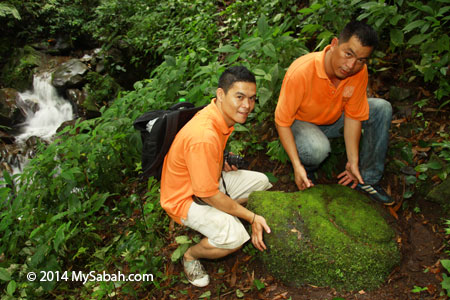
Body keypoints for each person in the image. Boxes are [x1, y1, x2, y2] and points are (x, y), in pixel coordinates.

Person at [160, 66, 273, 287]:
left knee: (261, 182)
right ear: (221, 95)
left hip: (203, 184)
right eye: (239, 97)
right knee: (235, 237)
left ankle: (221, 217)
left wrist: (221, 161)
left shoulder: (218, 115)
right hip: (184, 198)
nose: (247, 106)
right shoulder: (204, 135)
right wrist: (251, 217)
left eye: (251, 99)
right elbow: (209, 194)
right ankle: (191, 256)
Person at [275, 21, 394, 205]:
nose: (351, 65)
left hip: (335, 119)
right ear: (334, 43)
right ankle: (308, 167)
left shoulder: (359, 72)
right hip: (301, 124)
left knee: (381, 109)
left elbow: (354, 116)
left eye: (361, 60)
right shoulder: (301, 71)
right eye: (348, 54)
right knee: (317, 148)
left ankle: (367, 179)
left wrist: (352, 161)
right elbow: (282, 122)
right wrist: (297, 166)